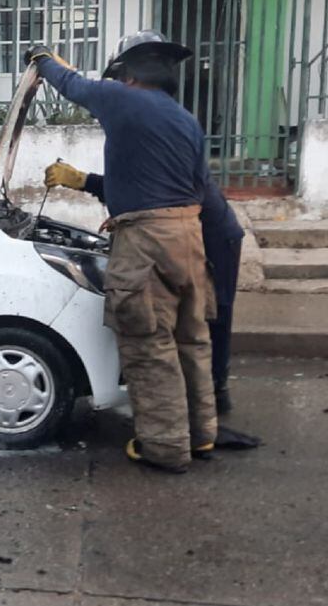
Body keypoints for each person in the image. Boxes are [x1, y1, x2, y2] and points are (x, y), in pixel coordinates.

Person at [24, 31, 217, 473]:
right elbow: (180, 187)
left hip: (147, 245)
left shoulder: (120, 98)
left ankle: (165, 447)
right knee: (191, 340)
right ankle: (201, 434)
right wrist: (88, 183)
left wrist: (42, 58)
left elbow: (73, 85)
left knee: (150, 345)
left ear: (127, 73)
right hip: (188, 239)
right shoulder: (186, 121)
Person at [44, 164, 244, 415]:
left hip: (215, 236)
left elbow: (147, 190)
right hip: (190, 232)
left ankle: (215, 392)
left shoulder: (163, 152)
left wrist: (85, 181)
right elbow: (136, 188)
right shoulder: (149, 148)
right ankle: (197, 395)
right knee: (191, 314)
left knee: (214, 313)